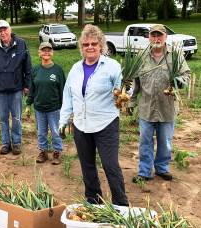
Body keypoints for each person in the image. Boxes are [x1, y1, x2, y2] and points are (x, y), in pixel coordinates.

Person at [59, 25, 129, 206]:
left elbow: (126, 89)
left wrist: (124, 93)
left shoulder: (112, 67)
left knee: (110, 166)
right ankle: (93, 202)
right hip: (81, 125)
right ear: (81, 47)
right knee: (87, 167)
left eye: (94, 44)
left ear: (101, 45)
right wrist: (63, 120)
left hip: (106, 123)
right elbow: (68, 95)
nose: (89, 47)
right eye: (85, 44)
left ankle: (121, 204)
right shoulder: (75, 69)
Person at [129, 24, 190, 182]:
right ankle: (144, 172)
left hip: (167, 107)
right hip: (146, 107)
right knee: (145, 141)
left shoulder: (175, 55)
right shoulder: (141, 56)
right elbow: (135, 82)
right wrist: (131, 102)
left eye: (159, 35)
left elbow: (186, 75)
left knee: (165, 141)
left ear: (165, 37)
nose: (156, 39)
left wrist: (178, 81)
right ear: (149, 37)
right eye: (153, 35)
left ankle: (162, 168)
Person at [0, 20, 32, 155]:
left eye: (5, 29)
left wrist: (27, 85)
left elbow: (28, 67)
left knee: (17, 117)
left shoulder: (21, 44)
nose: (3, 33)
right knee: (2, 118)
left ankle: (17, 143)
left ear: (10, 29)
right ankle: (5, 143)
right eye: (0, 31)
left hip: (16, 88)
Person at [26, 42, 65, 165]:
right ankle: (43, 151)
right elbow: (32, 89)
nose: (46, 52)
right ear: (39, 53)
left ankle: (57, 152)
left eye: (49, 50)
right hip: (39, 108)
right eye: (44, 50)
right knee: (41, 132)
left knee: (55, 131)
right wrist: (28, 104)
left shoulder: (58, 70)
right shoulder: (36, 70)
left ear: (52, 53)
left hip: (54, 108)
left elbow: (63, 90)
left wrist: (65, 108)